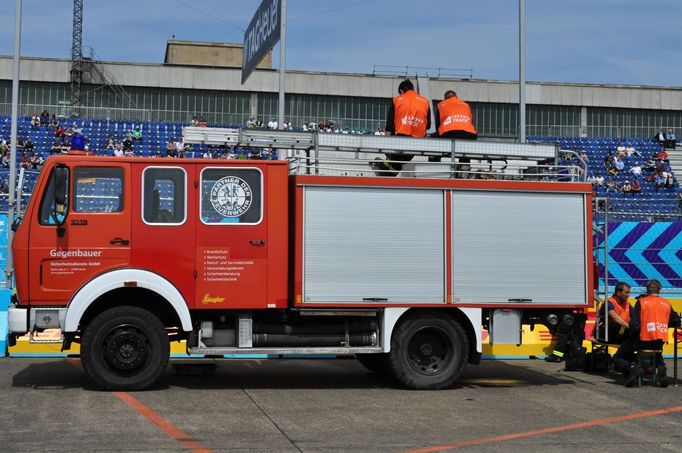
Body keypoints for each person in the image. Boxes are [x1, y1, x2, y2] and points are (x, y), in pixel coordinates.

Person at [612, 279, 681, 387]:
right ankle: (661, 370)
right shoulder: (667, 303)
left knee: (617, 357)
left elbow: (635, 325)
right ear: (659, 290)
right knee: (656, 351)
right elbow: (676, 321)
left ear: (647, 289)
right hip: (659, 341)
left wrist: (630, 336)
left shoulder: (642, 302)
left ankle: (634, 368)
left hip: (642, 340)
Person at [374, 79, 431, 175]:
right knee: (403, 157)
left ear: (401, 91)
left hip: (401, 138)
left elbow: (389, 126)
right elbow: (428, 126)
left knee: (395, 155)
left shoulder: (397, 100)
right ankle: (390, 167)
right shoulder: (425, 102)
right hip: (418, 142)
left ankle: (389, 166)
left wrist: (386, 147)